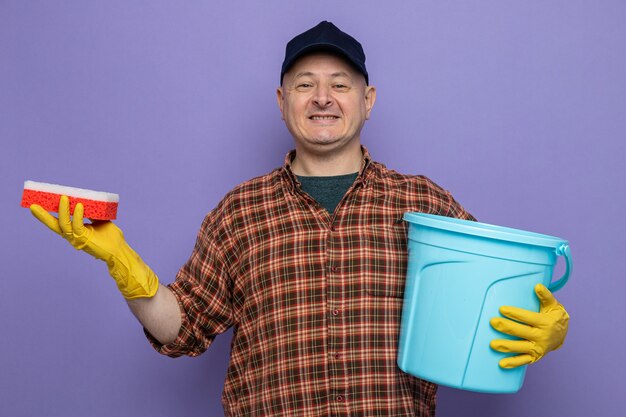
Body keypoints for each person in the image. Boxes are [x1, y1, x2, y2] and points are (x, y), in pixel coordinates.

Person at [30, 21, 569, 417]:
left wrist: (545, 325)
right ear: (282, 99)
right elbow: (182, 329)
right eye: (306, 83)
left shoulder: (424, 204)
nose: (323, 98)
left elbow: (491, 300)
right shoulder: (239, 212)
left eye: (340, 83)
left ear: (368, 99)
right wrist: (124, 265)